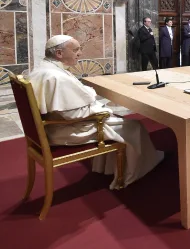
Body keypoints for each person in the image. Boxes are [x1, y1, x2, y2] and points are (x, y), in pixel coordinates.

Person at [29, 35, 164, 189]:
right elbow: (72, 114)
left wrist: (87, 97)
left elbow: (69, 99)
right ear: (59, 53)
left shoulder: (45, 68)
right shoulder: (55, 76)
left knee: (116, 118)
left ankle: (107, 168)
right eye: (75, 50)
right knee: (134, 126)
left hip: (55, 126)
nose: (79, 53)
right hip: (68, 129)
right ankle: (133, 172)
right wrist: (102, 109)